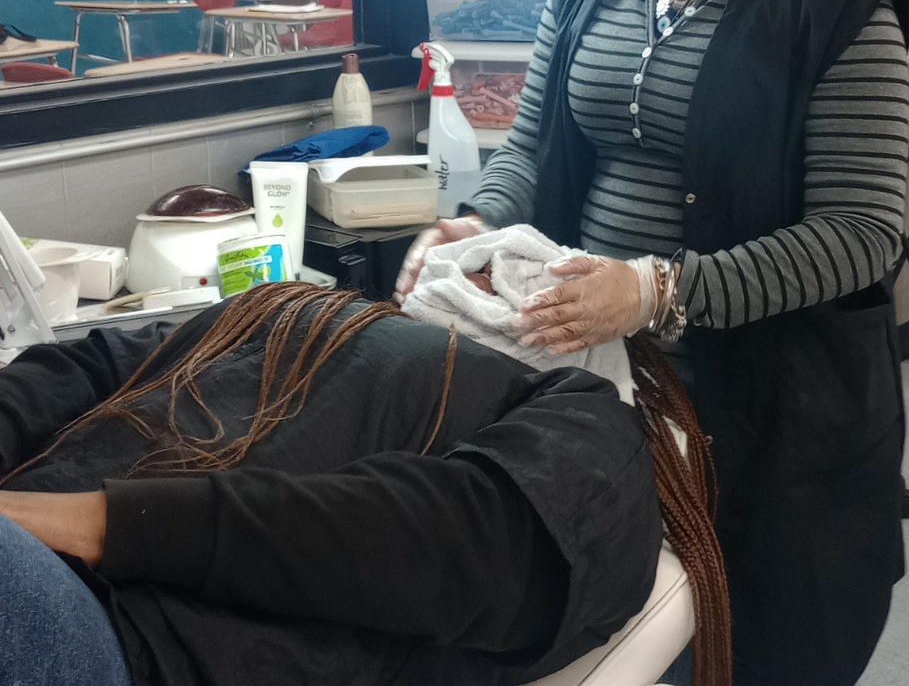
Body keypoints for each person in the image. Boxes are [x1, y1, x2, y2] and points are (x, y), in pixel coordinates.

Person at [397, 0, 909, 686]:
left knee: (766, 646)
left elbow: (859, 234)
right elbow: (529, 147)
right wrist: (475, 219)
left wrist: (658, 287)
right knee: (620, 645)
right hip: (606, 396)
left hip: (773, 419)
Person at [0, 283, 664, 686]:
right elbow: (90, 364)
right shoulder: (277, 310)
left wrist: (100, 523)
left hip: (129, 637)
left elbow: (462, 545)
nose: (490, 276)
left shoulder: (592, 417)